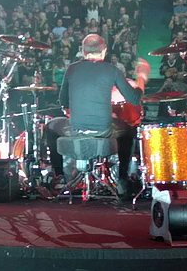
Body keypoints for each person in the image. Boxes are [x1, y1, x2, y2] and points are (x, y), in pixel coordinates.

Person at [45, 34, 145, 195]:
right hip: (104, 131)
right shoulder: (112, 70)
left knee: (50, 126)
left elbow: (63, 101)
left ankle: (59, 176)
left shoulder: (72, 69)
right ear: (104, 50)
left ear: (83, 51)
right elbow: (134, 99)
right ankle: (122, 179)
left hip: (76, 130)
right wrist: (141, 81)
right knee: (128, 130)